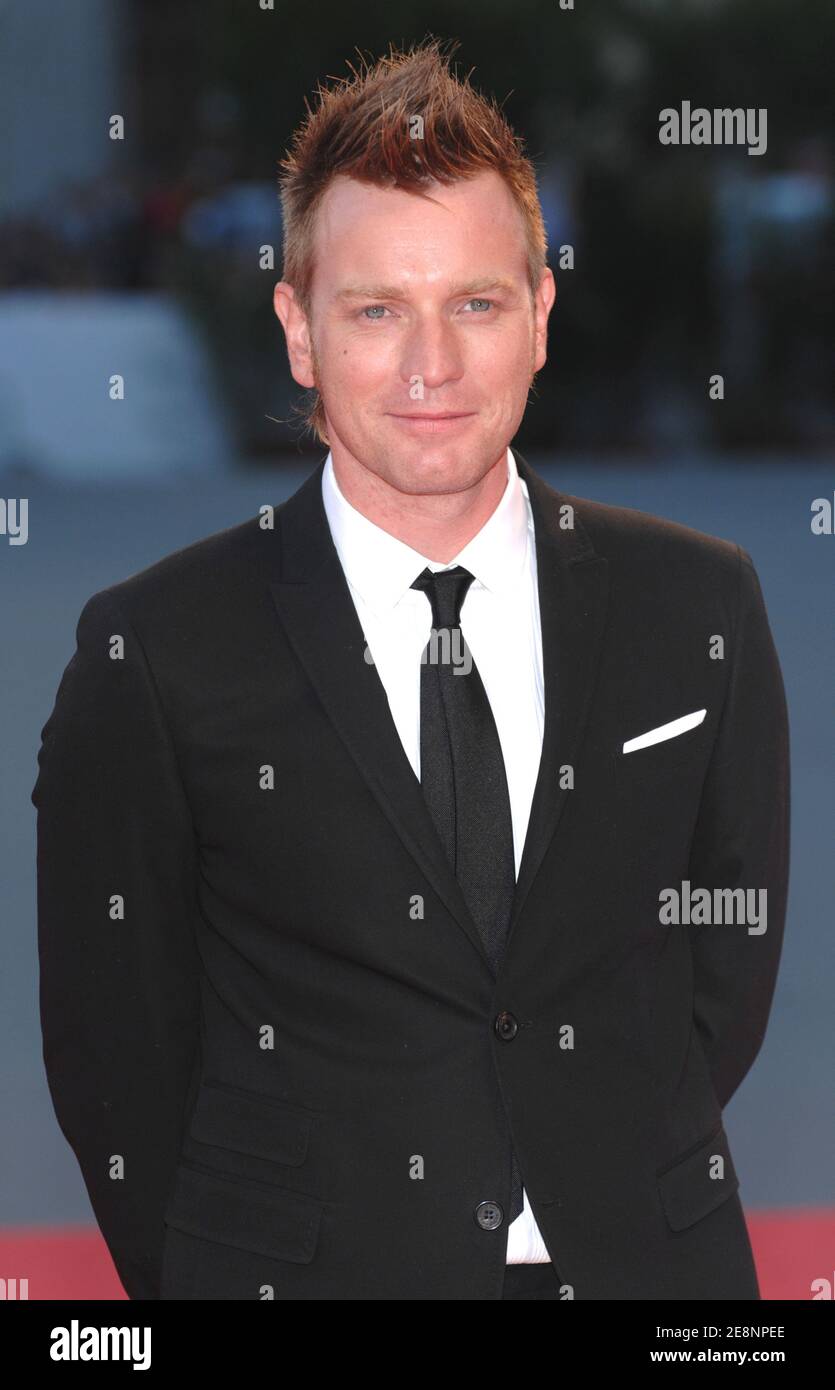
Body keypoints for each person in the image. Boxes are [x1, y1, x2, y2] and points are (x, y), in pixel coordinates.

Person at [33, 39, 789, 1301]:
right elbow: (116, 1052)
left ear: (540, 316)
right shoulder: (154, 652)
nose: (430, 365)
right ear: (298, 330)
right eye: (377, 308)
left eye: (475, 304)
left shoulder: (696, 604)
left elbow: (723, 970)